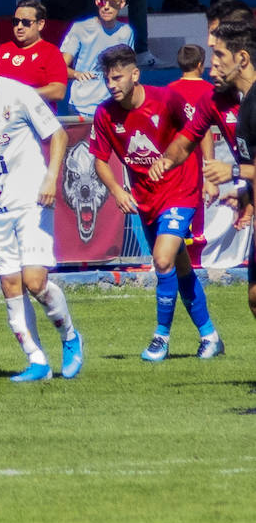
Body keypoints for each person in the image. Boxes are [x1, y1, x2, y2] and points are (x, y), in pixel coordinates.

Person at [0, 35, 83, 383]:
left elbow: (58, 135)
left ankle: (70, 336)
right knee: (10, 284)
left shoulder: (19, 94)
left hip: (29, 198)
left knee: (35, 281)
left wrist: (50, 178)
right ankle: (37, 361)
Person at [89, 44, 223, 360]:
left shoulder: (166, 99)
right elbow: (99, 159)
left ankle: (160, 338)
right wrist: (118, 192)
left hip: (181, 189)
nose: (112, 85)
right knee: (179, 266)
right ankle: (210, 336)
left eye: (118, 78)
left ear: (135, 75)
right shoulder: (105, 113)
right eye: (108, 80)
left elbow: (199, 127)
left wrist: (207, 168)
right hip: (146, 198)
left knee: (162, 260)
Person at [151, 19, 256, 326]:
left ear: (243, 59)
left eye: (219, 57)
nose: (212, 69)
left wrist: (235, 173)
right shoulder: (218, 99)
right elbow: (185, 140)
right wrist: (166, 160)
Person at [163, 43, 219, 267]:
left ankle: (180, 247)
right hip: (197, 154)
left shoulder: (169, 89)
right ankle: (194, 255)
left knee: (177, 198)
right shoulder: (210, 90)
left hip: (177, 154)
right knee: (197, 202)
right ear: (200, 64)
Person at [60, 0, 135, 119]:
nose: (106, 7)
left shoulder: (126, 32)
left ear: (122, 4)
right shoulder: (79, 28)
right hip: (82, 107)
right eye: (102, 2)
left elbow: (129, 69)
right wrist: (77, 74)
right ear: (96, 1)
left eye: (112, 3)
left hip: (114, 106)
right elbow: (59, 67)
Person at [0, 0, 69, 109]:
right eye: (16, 22)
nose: (19, 27)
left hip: (38, 118)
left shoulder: (51, 52)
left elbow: (58, 91)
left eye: (26, 22)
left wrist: (23, 95)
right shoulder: (2, 49)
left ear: (40, 24)